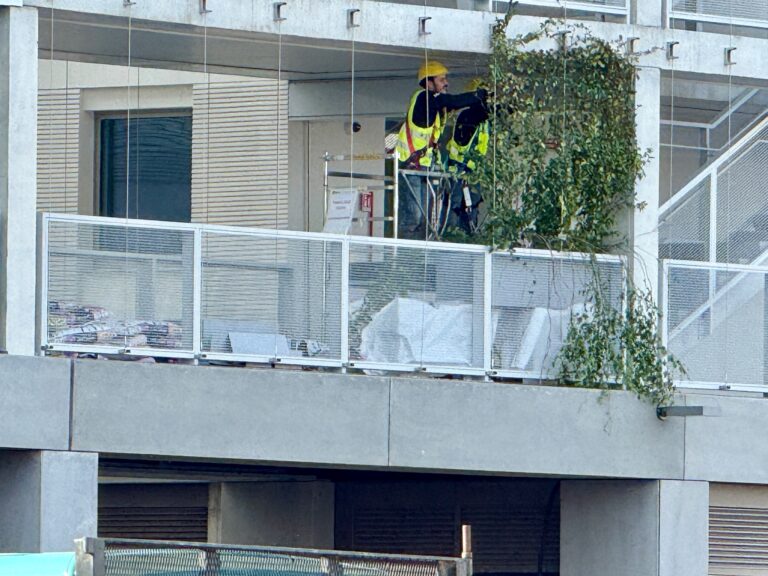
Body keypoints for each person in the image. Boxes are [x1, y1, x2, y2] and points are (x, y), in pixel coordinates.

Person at [395, 61, 487, 239]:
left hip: (422, 166)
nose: (446, 83)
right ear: (429, 82)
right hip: (411, 167)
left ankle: (420, 255)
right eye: (441, 79)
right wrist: (479, 95)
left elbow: (451, 104)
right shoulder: (425, 98)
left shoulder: (434, 104)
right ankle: (405, 256)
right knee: (413, 217)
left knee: (425, 220)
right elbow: (453, 100)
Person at [445, 78, 490, 235]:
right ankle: (453, 237)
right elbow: (487, 112)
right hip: (460, 172)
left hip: (472, 174)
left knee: (471, 208)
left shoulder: (481, 120)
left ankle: (466, 235)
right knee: (457, 209)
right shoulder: (469, 115)